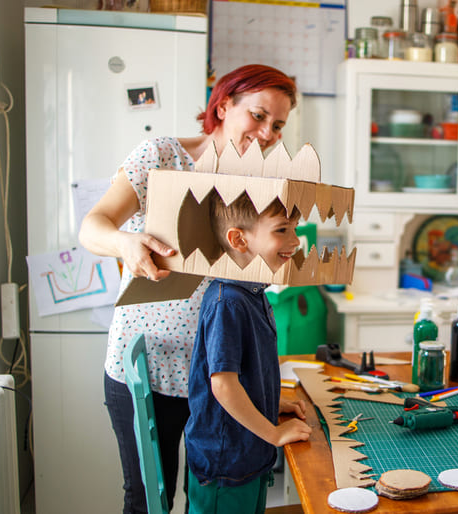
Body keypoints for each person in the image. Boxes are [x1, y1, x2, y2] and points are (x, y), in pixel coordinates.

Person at [78, 64, 297, 514]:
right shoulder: (161, 155)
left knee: (205, 493)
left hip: (219, 374)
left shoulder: (259, 183)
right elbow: (91, 227)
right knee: (146, 499)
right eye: (258, 116)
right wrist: (124, 242)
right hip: (149, 365)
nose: (268, 132)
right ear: (222, 106)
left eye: (278, 125)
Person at [185, 192, 312, 513]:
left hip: (247, 454)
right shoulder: (227, 302)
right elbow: (223, 385)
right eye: (282, 230)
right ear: (239, 240)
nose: (295, 241)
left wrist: (274, 403)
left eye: (295, 229)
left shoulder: (252, 292)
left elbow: (246, 371)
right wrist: (273, 432)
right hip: (227, 461)